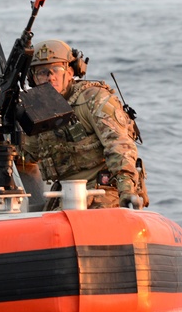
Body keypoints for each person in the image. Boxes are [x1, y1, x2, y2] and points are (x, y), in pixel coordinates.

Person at [20, 40, 148, 210]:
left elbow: (119, 146)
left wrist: (126, 191)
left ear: (71, 72)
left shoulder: (93, 100)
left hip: (105, 190)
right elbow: (29, 152)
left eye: (56, 70)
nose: (50, 77)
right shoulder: (41, 110)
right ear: (33, 78)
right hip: (67, 191)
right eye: (43, 72)